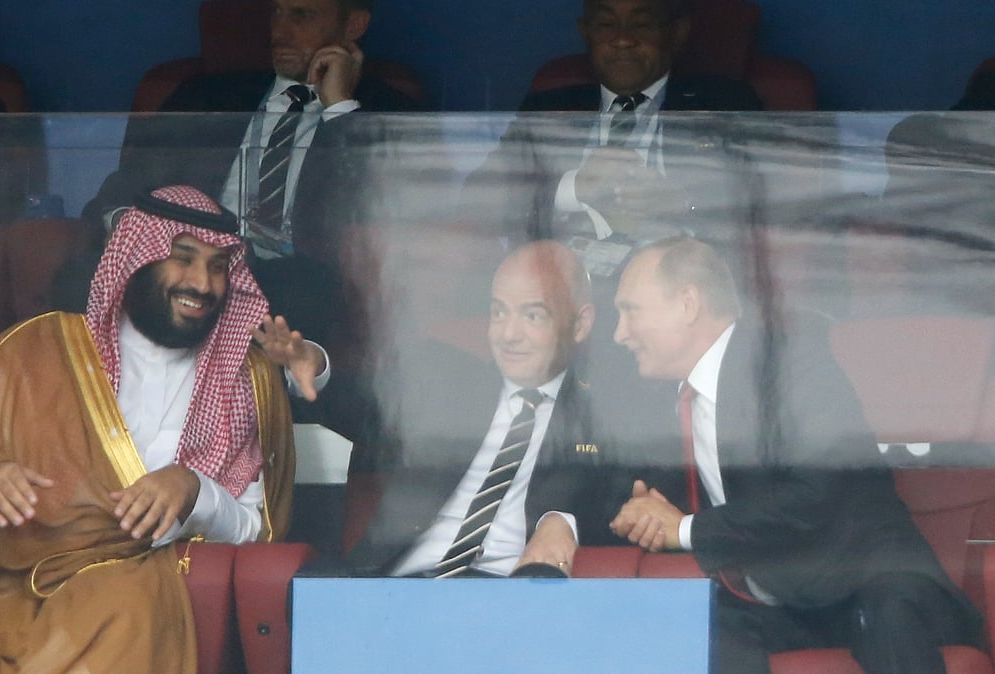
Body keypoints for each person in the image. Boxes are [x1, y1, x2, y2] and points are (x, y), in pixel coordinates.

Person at [0, 185, 329, 672]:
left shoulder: (245, 378)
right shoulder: (42, 346)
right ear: (137, 257)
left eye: (219, 267)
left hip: (115, 582)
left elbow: (257, 527)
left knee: (120, 608)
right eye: (183, 258)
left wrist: (193, 489)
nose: (202, 283)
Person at [607, 236, 982, 674]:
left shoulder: (789, 364)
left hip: (862, 581)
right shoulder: (659, 399)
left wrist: (687, 529)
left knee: (890, 614)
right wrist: (629, 514)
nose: (619, 334)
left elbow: (815, 495)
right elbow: (627, 492)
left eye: (630, 311)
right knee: (692, 630)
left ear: (688, 305)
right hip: (768, 600)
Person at [342, 240, 630, 577]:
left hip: (507, 596)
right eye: (499, 312)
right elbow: (359, 403)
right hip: (397, 583)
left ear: (580, 324)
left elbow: (616, 499)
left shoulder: (599, 414)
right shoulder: (447, 385)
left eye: (533, 315)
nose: (509, 334)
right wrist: (317, 367)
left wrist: (560, 521)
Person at [83, 0, 424, 266]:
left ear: (354, 25)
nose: (281, 30)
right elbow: (120, 192)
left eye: (302, 14)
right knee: (80, 273)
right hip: (191, 265)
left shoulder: (390, 113)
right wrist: (141, 234)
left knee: (300, 291)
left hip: (302, 277)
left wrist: (338, 108)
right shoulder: (204, 98)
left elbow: (389, 209)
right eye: (277, 12)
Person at [464, 0, 760, 276]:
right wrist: (574, 188)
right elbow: (480, 196)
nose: (622, 39)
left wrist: (680, 202)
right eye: (606, 25)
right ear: (585, 32)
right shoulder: (549, 109)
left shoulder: (726, 104)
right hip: (562, 287)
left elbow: (768, 201)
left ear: (677, 33)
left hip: (680, 286)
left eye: (641, 25)